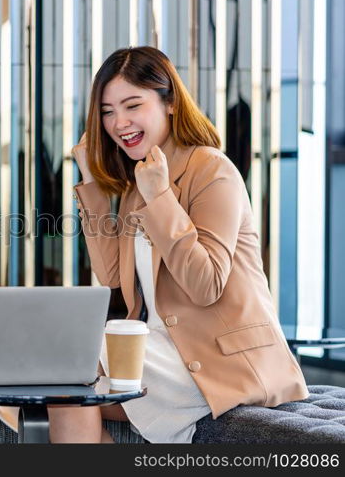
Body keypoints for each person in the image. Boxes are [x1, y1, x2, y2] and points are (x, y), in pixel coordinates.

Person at [48, 46, 308, 443]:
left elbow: (206, 285)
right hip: (160, 352)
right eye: (107, 111)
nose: (119, 123)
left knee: (63, 368)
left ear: (169, 102)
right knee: (56, 392)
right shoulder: (141, 181)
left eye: (132, 105)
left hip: (214, 359)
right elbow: (113, 276)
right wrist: (92, 186)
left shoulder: (211, 169)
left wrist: (161, 197)